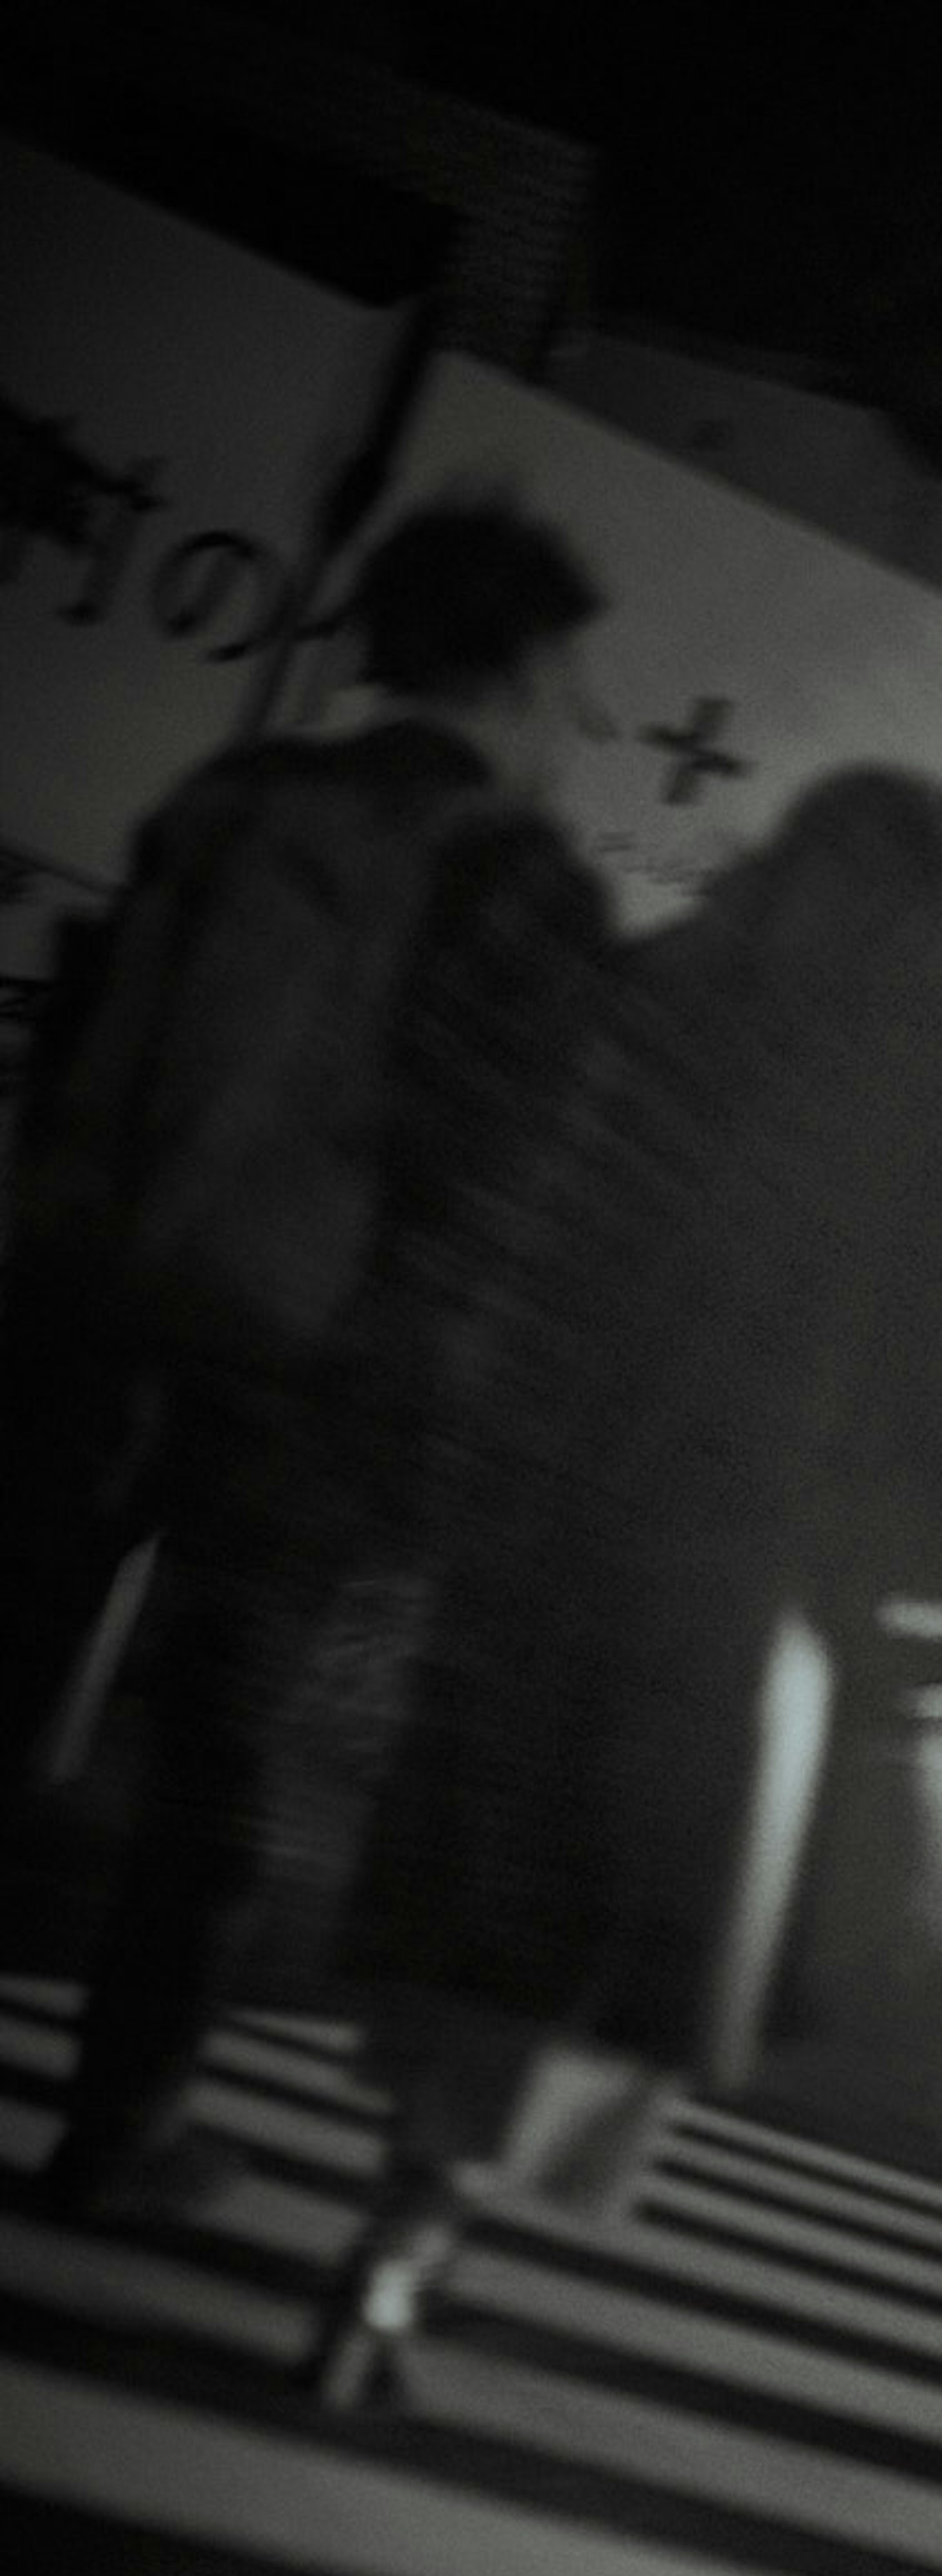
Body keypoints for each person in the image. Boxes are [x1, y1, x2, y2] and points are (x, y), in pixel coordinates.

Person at [302, 764, 942, 2403]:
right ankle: (417, 2244)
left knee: (479, 1897)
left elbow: (509, 1233)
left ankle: (399, 2197)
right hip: (738, 1583)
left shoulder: (658, 994)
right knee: (612, 1936)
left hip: (545, 1531)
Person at [1, 492, 612, 2215]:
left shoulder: (232, 798)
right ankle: (120, 2131)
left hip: (75, 1303)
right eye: (570, 673)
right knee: (215, 1757)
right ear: (518, 667)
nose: (580, 716)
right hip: (295, 1369)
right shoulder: (512, 875)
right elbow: (495, 1189)